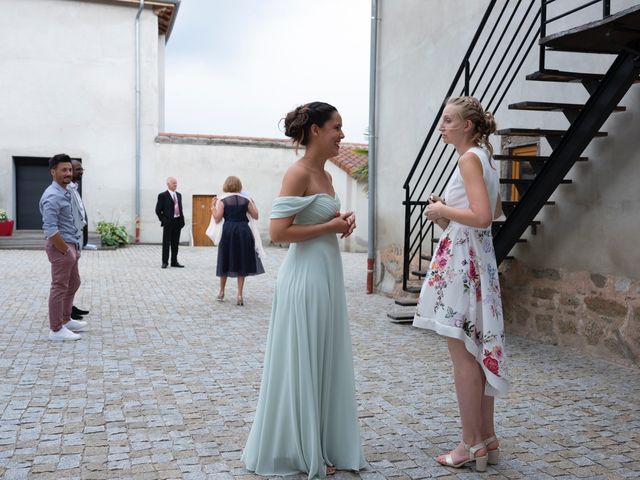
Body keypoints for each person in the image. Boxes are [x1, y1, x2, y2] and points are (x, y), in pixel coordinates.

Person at [241, 102, 364, 478]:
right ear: (315, 130)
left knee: (325, 356)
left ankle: (323, 440)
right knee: (304, 358)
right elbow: (278, 233)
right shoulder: (298, 173)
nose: (342, 134)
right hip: (305, 279)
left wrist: (338, 222)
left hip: (327, 273)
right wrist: (329, 227)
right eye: (336, 127)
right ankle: (301, 447)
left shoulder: (327, 177)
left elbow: (318, 221)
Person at [413, 96, 509, 472]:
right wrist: (449, 216)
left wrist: (440, 210)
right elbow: (488, 212)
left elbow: (483, 217)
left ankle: (470, 444)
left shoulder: (468, 158)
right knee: (475, 349)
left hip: (464, 263)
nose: (442, 125)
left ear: (467, 125)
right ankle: (486, 438)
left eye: (449, 120)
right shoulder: (485, 159)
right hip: (477, 259)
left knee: (464, 355)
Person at [39, 154, 88, 341]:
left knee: (74, 283)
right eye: (64, 170)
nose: (68, 173)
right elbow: (50, 229)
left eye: (69, 169)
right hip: (61, 246)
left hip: (71, 243)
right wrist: (66, 251)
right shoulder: (52, 196)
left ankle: (66, 319)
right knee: (59, 287)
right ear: (53, 172)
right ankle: (56, 329)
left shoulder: (65, 191)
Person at [211, 176, 264, 305]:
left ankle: (221, 292)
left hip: (228, 230)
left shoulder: (222, 200)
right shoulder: (246, 200)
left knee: (225, 259)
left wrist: (213, 206)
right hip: (244, 231)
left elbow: (217, 218)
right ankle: (239, 295)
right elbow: (256, 216)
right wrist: (253, 202)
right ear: (239, 185)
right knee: (242, 261)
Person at [68, 159, 90, 320]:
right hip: (69, 242)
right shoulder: (67, 189)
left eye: (82, 168)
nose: (81, 171)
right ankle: (65, 313)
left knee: (72, 280)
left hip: (76, 242)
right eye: (77, 169)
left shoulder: (74, 188)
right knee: (67, 281)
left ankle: (68, 308)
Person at [155, 177, 185, 268]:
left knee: (175, 243)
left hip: (178, 222)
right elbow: (158, 210)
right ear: (168, 184)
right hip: (168, 223)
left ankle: (174, 261)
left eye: (176, 183)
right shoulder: (162, 195)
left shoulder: (179, 195)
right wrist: (164, 220)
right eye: (173, 183)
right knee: (166, 243)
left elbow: (180, 208)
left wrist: (182, 221)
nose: (175, 185)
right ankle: (165, 262)